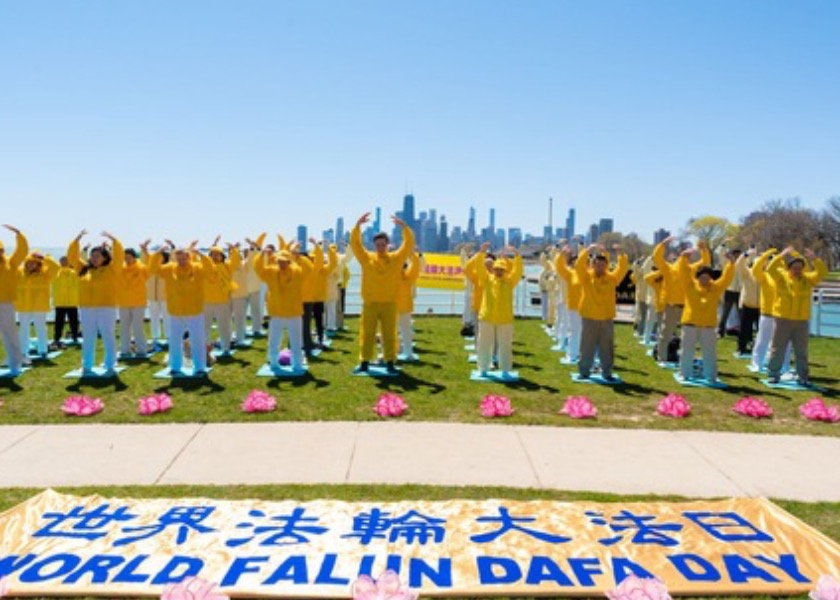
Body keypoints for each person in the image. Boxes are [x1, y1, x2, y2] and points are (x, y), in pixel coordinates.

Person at [349, 213, 414, 373]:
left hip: (389, 303)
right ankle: (364, 362)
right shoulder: (366, 258)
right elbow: (356, 245)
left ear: (387, 244)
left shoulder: (396, 259)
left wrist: (404, 227)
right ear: (374, 245)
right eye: (377, 244)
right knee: (367, 334)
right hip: (370, 303)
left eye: (383, 244)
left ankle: (390, 362)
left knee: (389, 334)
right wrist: (357, 226)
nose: (380, 247)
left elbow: (408, 244)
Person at [765, 247, 828, 386]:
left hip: (801, 322)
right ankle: (773, 374)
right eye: (794, 267)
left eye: (800, 267)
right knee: (777, 349)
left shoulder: (808, 279)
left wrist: (815, 259)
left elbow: (822, 272)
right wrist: (781, 255)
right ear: (789, 268)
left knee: (801, 351)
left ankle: (803, 376)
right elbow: (770, 269)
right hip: (782, 320)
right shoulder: (781, 277)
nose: (797, 270)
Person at [150, 242, 214, 375]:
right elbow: (153, 269)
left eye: (183, 258)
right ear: (175, 258)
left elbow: (210, 270)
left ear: (188, 257)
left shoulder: (198, 268)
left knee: (197, 340)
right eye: (178, 258)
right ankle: (175, 367)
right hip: (175, 311)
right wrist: (157, 254)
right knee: (174, 341)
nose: (181, 261)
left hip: (194, 310)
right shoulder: (169, 269)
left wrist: (202, 255)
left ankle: (200, 367)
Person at [251, 236, 312, 372]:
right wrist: (262, 254)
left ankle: (297, 364)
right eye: (280, 261)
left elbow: (309, 268)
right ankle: (273, 363)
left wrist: (299, 256)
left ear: (289, 261)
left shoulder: (297, 272)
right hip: (277, 312)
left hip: (294, 312)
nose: (282, 264)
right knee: (274, 340)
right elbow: (257, 268)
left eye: (285, 261)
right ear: (276, 261)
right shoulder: (270, 272)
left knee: (296, 341)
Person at [67, 230, 123, 374]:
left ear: (105, 257)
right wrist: (76, 240)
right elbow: (72, 257)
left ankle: (110, 364)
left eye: (97, 256)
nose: (94, 258)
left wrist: (114, 240)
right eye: (92, 256)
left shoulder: (112, 269)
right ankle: (87, 365)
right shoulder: (83, 269)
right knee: (88, 337)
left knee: (107, 335)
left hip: (106, 308)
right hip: (86, 308)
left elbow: (119, 256)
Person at [676, 249, 734, 383]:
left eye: (708, 277)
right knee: (687, 351)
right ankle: (684, 374)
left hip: (708, 326)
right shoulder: (690, 285)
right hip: (690, 324)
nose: (705, 279)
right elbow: (683, 272)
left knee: (709, 352)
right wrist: (683, 258)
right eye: (702, 277)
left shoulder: (716, 288)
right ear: (698, 277)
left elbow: (726, 278)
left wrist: (731, 264)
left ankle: (711, 376)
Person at [652, 236, 710, 365]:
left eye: (688, 253)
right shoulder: (669, 268)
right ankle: (662, 358)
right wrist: (663, 244)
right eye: (684, 253)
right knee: (666, 334)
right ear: (679, 254)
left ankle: (685, 358)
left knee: (689, 335)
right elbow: (656, 258)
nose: (687, 255)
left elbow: (705, 262)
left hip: (687, 307)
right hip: (672, 307)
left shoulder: (691, 269)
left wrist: (703, 249)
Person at [575, 244, 629, 381]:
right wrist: (588, 250)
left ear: (606, 266)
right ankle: (584, 371)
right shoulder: (586, 277)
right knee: (587, 346)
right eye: (597, 265)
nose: (600, 267)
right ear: (593, 265)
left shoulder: (612, 278)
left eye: (603, 265)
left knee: (607, 347)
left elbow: (622, 268)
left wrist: (620, 254)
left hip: (606, 318)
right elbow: (579, 265)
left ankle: (607, 372)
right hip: (589, 318)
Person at [472, 245, 523, 376]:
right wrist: (481, 252)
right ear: (493, 269)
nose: (499, 271)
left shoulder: (510, 281)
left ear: (505, 270)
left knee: (505, 345)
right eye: (497, 269)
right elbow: (479, 267)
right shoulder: (486, 279)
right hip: (487, 317)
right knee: (484, 344)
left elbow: (517, 271)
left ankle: (505, 369)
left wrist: (517, 257)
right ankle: (483, 368)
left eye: (501, 269)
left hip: (504, 319)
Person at [17, 252, 59, 361]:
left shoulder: (45, 275)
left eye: (34, 263)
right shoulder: (20, 273)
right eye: (29, 262)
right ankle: (23, 352)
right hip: (23, 306)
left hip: (39, 306)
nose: (31, 265)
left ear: (38, 264)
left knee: (40, 328)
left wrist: (45, 258)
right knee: (23, 329)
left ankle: (43, 350)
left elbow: (56, 267)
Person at [203, 240, 240, 357]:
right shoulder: (206, 267)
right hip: (207, 301)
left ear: (222, 256)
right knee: (204, 326)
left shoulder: (227, 266)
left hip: (223, 301)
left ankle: (226, 348)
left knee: (224, 325)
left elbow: (236, 261)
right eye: (212, 254)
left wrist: (234, 250)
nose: (215, 256)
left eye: (217, 254)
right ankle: (205, 348)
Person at [0, 225, 28, 375]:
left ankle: (15, 362)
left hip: (5, 303)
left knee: (9, 333)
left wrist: (18, 234)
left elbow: (22, 251)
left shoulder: (11, 263)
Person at [116, 244, 151, 357]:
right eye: (125, 257)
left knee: (137, 327)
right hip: (123, 302)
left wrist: (145, 251)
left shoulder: (141, 268)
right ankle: (124, 350)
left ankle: (142, 350)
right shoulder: (120, 268)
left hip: (138, 302)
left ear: (134, 257)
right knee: (124, 327)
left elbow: (151, 266)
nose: (127, 259)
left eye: (129, 257)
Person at [554, 245, 584, 363]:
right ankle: (572, 354)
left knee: (585, 333)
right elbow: (559, 267)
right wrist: (561, 254)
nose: (578, 263)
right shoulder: (570, 273)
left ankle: (584, 355)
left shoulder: (589, 273)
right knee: (573, 330)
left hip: (587, 307)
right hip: (573, 306)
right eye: (575, 261)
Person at [734, 247, 761, 356]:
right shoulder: (747, 273)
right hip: (747, 305)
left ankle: (758, 349)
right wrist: (746, 254)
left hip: (761, 307)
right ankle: (741, 348)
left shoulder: (764, 275)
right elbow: (739, 264)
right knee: (744, 329)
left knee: (761, 331)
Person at [395, 250, 421, 359]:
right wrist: (411, 253)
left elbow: (415, 265)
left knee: (394, 330)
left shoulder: (392, 276)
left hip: (395, 307)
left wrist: (411, 253)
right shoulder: (408, 276)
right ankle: (406, 351)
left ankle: (399, 350)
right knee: (405, 330)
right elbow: (416, 265)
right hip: (402, 307)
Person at [51, 255, 80, 348]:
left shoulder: (74, 273)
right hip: (60, 302)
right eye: (62, 261)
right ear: (59, 262)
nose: (64, 262)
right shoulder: (55, 273)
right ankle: (57, 338)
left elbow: (81, 267)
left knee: (74, 321)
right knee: (59, 322)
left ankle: (75, 336)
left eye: (66, 260)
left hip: (72, 302)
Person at [717, 245, 743, 337]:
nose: (737, 256)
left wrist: (751, 249)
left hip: (740, 291)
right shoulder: (727, 263)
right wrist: (723, 246)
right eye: (735, 254)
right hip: (729, 291)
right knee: (725, 313)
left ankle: (742, 332)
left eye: (739, 255)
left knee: (741, 313)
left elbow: (751, 257)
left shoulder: (742, 264)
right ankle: (721, 331)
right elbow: (721, 254)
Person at [146, 246, 169, 346]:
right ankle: (155, 337)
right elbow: (146, 258)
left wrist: (172, 246)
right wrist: (144, 249)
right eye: (157, 256)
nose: (159, 258)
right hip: (152, 297)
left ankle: (169, 337)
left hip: (165, 297)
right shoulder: (150, 268)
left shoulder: (168, 267)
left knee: (167, 318)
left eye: (161, 256)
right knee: (154, 317)